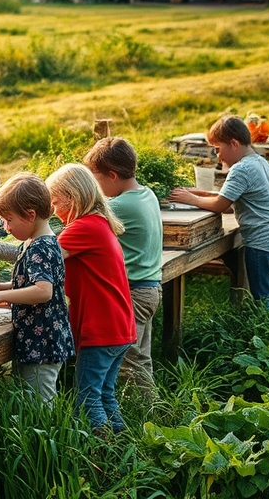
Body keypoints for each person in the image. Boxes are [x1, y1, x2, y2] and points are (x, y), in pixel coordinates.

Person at [46, 164, 136, 434]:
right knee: (105, 396)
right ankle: (126, 449)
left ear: (71, 199)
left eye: (55, 203)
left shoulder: (82, 228)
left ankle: (103, 457)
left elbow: (42, 258)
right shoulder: (99, 222)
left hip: (102, 331)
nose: (54, 211)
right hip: (119, 328)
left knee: (86, 401)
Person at [0, 173, 74, 402]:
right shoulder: (39, 241)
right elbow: (36, 281)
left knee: (40, 401)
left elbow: (44, 291)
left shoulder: (39, 247)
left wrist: (0, 297)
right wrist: (1, 287)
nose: (6, 228)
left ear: (30, 215)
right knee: (29, 397)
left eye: (9, 220)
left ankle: (48, 436)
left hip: (43, 342)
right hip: (38, 340)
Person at [170, 115, 269, 305]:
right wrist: (199, 192)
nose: (217, 155)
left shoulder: (241, 169)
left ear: (233, 144)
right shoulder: (258, 162)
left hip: (262, 243)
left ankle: (264, 333)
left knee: (262, 301)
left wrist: (190, 199)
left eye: (218, 149)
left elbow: (221, 205)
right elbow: (229, 198)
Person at [84, 138, 163, 394]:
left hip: (133, 294)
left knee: (129, 363)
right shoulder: (146, 194)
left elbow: (79, 227)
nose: (94, 188)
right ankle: (152, 413)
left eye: (95, 181)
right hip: (149, 288)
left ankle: (144, 419)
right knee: (140, 359)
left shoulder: (119, 206)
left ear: (112, 175)